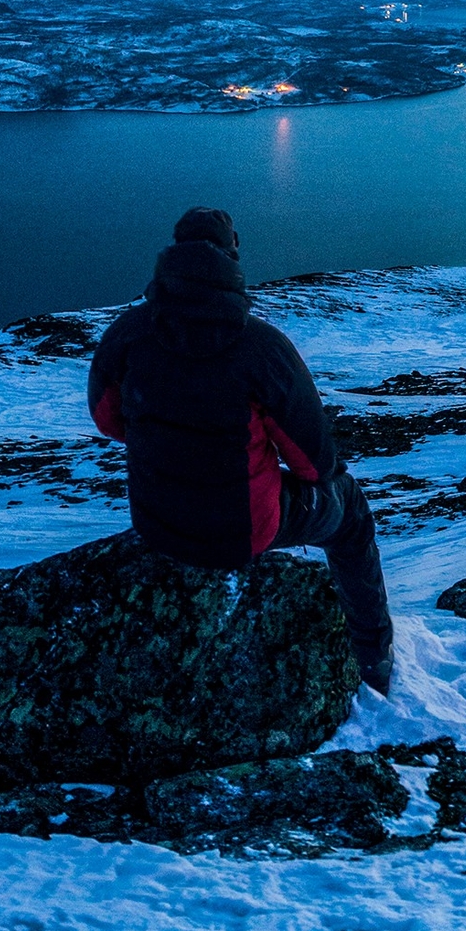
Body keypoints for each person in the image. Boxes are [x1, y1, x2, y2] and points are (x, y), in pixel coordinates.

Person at [85, 206, 395, 692]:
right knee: (350, 514)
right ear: (233, 256)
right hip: (243, 530)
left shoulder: (127, 334)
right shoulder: (260, 347)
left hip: (155, 522)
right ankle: (373, 660)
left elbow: (106, 420)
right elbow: (313, 464)